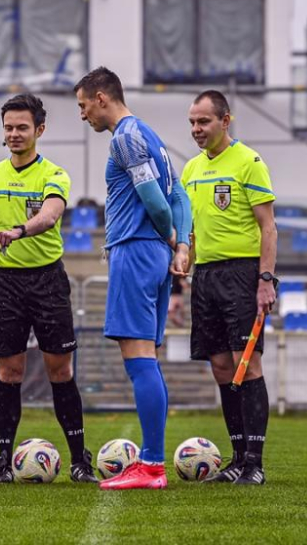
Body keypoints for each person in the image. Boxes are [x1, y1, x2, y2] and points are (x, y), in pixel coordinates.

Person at [0, 93, 97, 484]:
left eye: (22, 128)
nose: (14, 134)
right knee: (9, 373)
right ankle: (3, 462)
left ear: (39, 130)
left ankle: (80, 461)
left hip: (48, 280)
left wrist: (16, 231)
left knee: (60, 371)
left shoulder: (54, 174)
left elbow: (49, 216)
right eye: (9, 127)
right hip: (6, 284)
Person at [74, 67, 192, 490]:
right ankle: (152, 461)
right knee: (147, 358)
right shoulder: (153, 137)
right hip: (155, 254)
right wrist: (178, 247)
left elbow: (158, 203)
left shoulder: (125, 137)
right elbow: (181, 195)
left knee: (138, 357)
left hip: (135, 249)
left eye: (84, 105)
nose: (83, 115)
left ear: (102, 97)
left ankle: (153, 465)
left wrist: (170, 235)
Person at [181, 90, 277, 485]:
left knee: (246, 364)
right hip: (205, 277)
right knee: (221, 367)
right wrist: (183, 264)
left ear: (225, 120)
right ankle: (237, 458)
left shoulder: (249, 162)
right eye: (192, 123)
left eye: (203, 122)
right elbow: (190, 228)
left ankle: (255, 463)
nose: (196, 130)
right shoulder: (189, 170)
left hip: (242, 274)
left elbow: (268, 227)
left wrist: (265, 280)